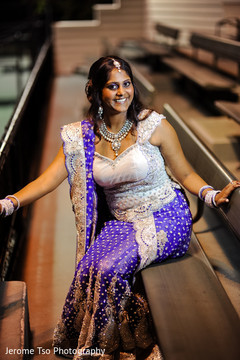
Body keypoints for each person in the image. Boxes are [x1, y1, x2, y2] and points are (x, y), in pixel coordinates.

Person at [0, 55, 239, 360]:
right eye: (112, 86)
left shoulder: (153, 126)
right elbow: (47, 180)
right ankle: (111, 336)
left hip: (166, 217)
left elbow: (185, 172)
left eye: (126, 84)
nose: (122, 92)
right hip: (123, 221)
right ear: (96, 91)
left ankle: (108, 346)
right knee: (90, 267)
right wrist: (7, 204)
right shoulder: (81, 137)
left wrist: (211, 195)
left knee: (109, 269)